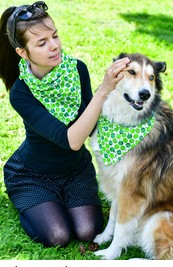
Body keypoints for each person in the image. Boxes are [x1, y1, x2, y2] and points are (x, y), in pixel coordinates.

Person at [0, 1, 130, 247]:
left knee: (87, 231)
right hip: (33, 174)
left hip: (75, 170)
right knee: (57, 236)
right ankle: (30, 201)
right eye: (42, 43)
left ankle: (56, 202)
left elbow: (90, 126)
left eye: (55, 36)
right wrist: (104, 90)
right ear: (23, 52)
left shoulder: (76, 69)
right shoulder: (21, 92)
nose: (54, 46)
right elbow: (71, 140)